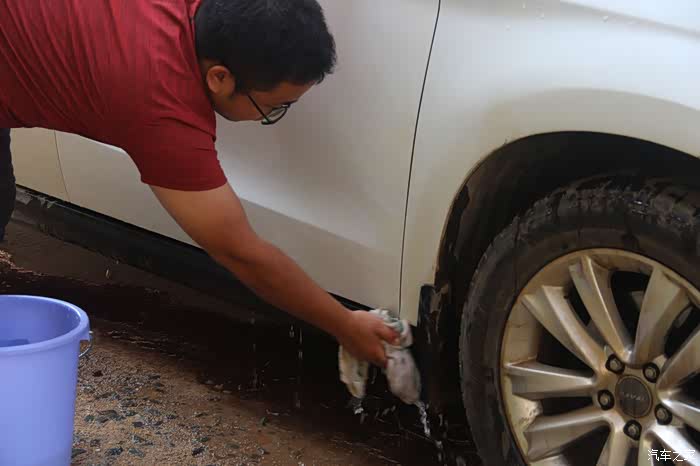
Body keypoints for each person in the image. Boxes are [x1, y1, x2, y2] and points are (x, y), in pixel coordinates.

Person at [0, 0, 399, 367]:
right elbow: (241, 252)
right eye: (273, 108)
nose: (272, 116)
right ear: (219, 78)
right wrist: (346, 325)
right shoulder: (161, 102)